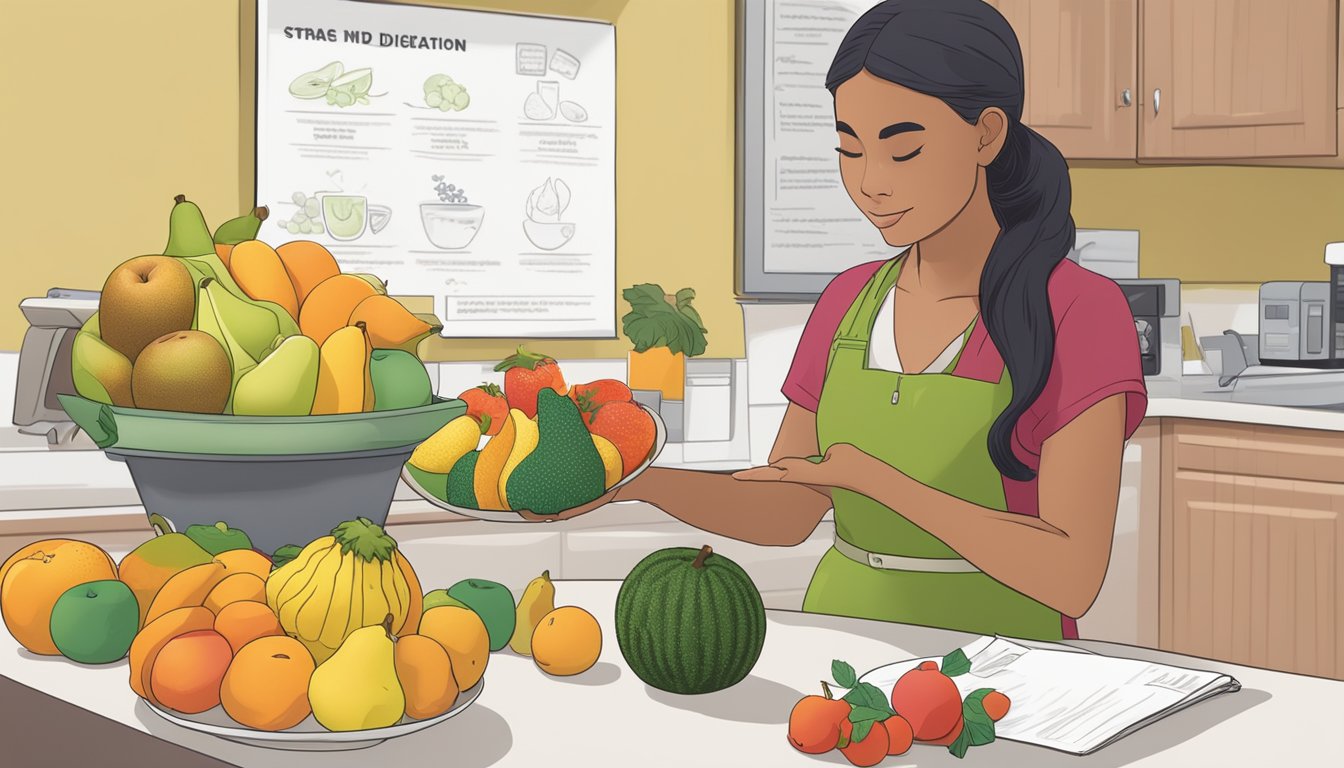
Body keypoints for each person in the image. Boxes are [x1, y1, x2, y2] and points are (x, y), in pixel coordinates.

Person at [531, 0, 1147, 641]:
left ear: (987, 134)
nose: (869, 183)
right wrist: (634, 484)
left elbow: (1072, 575)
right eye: (849, 150)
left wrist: (878, 483)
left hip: (1002, 659)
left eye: (903, 151)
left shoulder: (1079, 310)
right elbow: (788, 509)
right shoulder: (849, 300)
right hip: (840, 645)